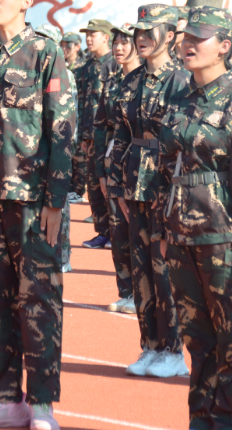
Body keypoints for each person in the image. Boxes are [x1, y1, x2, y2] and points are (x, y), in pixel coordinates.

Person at [0, 0, 74, 430]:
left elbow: (62, 128)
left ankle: (42, 404)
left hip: (32, 200)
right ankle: (6, 399)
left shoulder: (46, 53)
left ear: (27, 0)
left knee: (39, 300)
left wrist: (55, 200)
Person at [158, 6, 232, 430]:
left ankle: (230, 421)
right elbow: (165, 166)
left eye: (199, 38)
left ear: (224, 47)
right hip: (183, 234)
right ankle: (201, 419)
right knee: (197, 337)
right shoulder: (181, 99)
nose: (187, 44)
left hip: (226, 237)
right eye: (185, 37)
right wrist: (164, 227)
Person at [107, 4, 189, 379]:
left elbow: (185, 143)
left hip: (166, 184)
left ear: (169, 36)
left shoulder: (183, 81)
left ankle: (173, 349)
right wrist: (118, 186)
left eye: (148, 31)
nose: (140, 39)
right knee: (139, 266)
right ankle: (150, 345)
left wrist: (174, 190)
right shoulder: (131, 80)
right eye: (136, 32)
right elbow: (119, 135)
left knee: (164, 267)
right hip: (134, 183)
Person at [94, 23, 140, 314]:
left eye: (126, 42)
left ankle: (144, 293)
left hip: (139, 165)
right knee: (118, 230)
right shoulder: (112, 84)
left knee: (138, 229)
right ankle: (127, 291)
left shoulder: (146, 81)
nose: (119, 48)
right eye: (117, 42)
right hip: (113, 165)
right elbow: (100, 128)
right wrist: (100, 170)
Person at [34, 23, 76, 273]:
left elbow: (69, 116)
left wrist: (66, 148)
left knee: (59, 204)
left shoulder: (63, 73)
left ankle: (63, 253)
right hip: (35, 149)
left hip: (57, 146)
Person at [78, 18, 117, 250]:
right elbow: (84, 103)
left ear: (106, 37)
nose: (89, 38)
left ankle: (115, 231)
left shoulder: (114, 64)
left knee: (108, 184)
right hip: (91, 136)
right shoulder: (88, 66)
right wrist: (84, 135)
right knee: (93, 185)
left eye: (94, 34)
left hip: (108, 135)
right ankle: (103, 231)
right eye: (87, 34)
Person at [62, 31, 88, 203]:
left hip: (79, 114)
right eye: (62, 44)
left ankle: (78, 189)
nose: (64, 48)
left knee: (79, 156)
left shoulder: (82, 67)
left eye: (68, 45)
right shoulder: (61, 66)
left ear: (77, 47)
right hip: (66, 115)